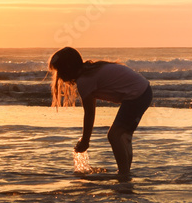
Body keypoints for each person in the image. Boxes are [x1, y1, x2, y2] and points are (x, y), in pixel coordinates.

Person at [47, 47, 152, 178]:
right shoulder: (90, 71)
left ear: (68, 68)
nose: (60, 76)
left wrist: (85, 141)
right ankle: (126, 173)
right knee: (123, 137)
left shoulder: (85, 80)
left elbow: (90, 113)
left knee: (114, 136)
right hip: (143, 90)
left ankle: (124, 174)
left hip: (137, 94)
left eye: (60, 71)